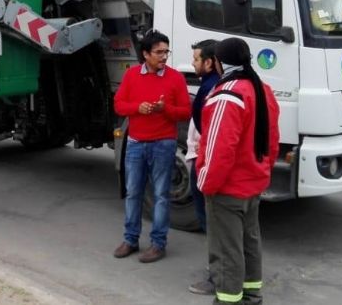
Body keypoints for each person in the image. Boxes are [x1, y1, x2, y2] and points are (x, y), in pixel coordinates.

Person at [191, 37, 280, 305]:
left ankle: (228, 299)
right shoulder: (262, 89)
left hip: (227, 189)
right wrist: (262, 171)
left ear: (219, 62)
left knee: (226, 250)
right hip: (252, 185)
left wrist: (206, 183)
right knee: (249, 242)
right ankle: (252, 294)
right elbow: (271, 141)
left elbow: (219, 148)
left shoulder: (226, 95)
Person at [113, 30, 191, 263]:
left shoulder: (176, 78)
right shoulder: (132, 75)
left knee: (161, 195)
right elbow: (119, 105)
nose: (164, 56)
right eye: (159, 52)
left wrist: (163, 109)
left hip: (164, 144)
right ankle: (130, 240)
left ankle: (158, 244)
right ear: (146, 54)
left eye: (166, 51)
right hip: (136, 143)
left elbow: (186, 112)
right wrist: (139, 108)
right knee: (133, 192)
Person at [186, 39, 220, 233]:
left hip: (205, 156)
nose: (192, 63)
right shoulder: (213, 84)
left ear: (208, 63)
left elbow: (207, 122)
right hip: (205, 151)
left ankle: (217, 261)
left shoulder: (211, 88)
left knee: (207, 213)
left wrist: (204, 143)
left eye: (196, 59)